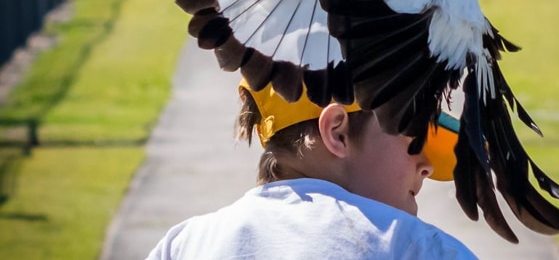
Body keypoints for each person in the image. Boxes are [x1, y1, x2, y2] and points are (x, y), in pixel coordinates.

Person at [146, 80, 478, 259]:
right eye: (413, 136)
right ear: (338, 132)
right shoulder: (419, 248)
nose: (427, 165)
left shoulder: (184, 245)